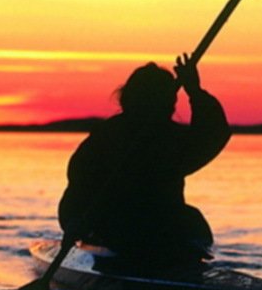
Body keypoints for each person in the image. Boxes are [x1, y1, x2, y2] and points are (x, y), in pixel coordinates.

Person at [54, 53, 231, 266]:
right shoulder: (106, 138)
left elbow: (212, 134)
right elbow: (78, 187)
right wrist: (73, 222)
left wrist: (195, 91)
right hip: (117, 227)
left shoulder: (171, 139)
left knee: (191, 220)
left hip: (163, 226)